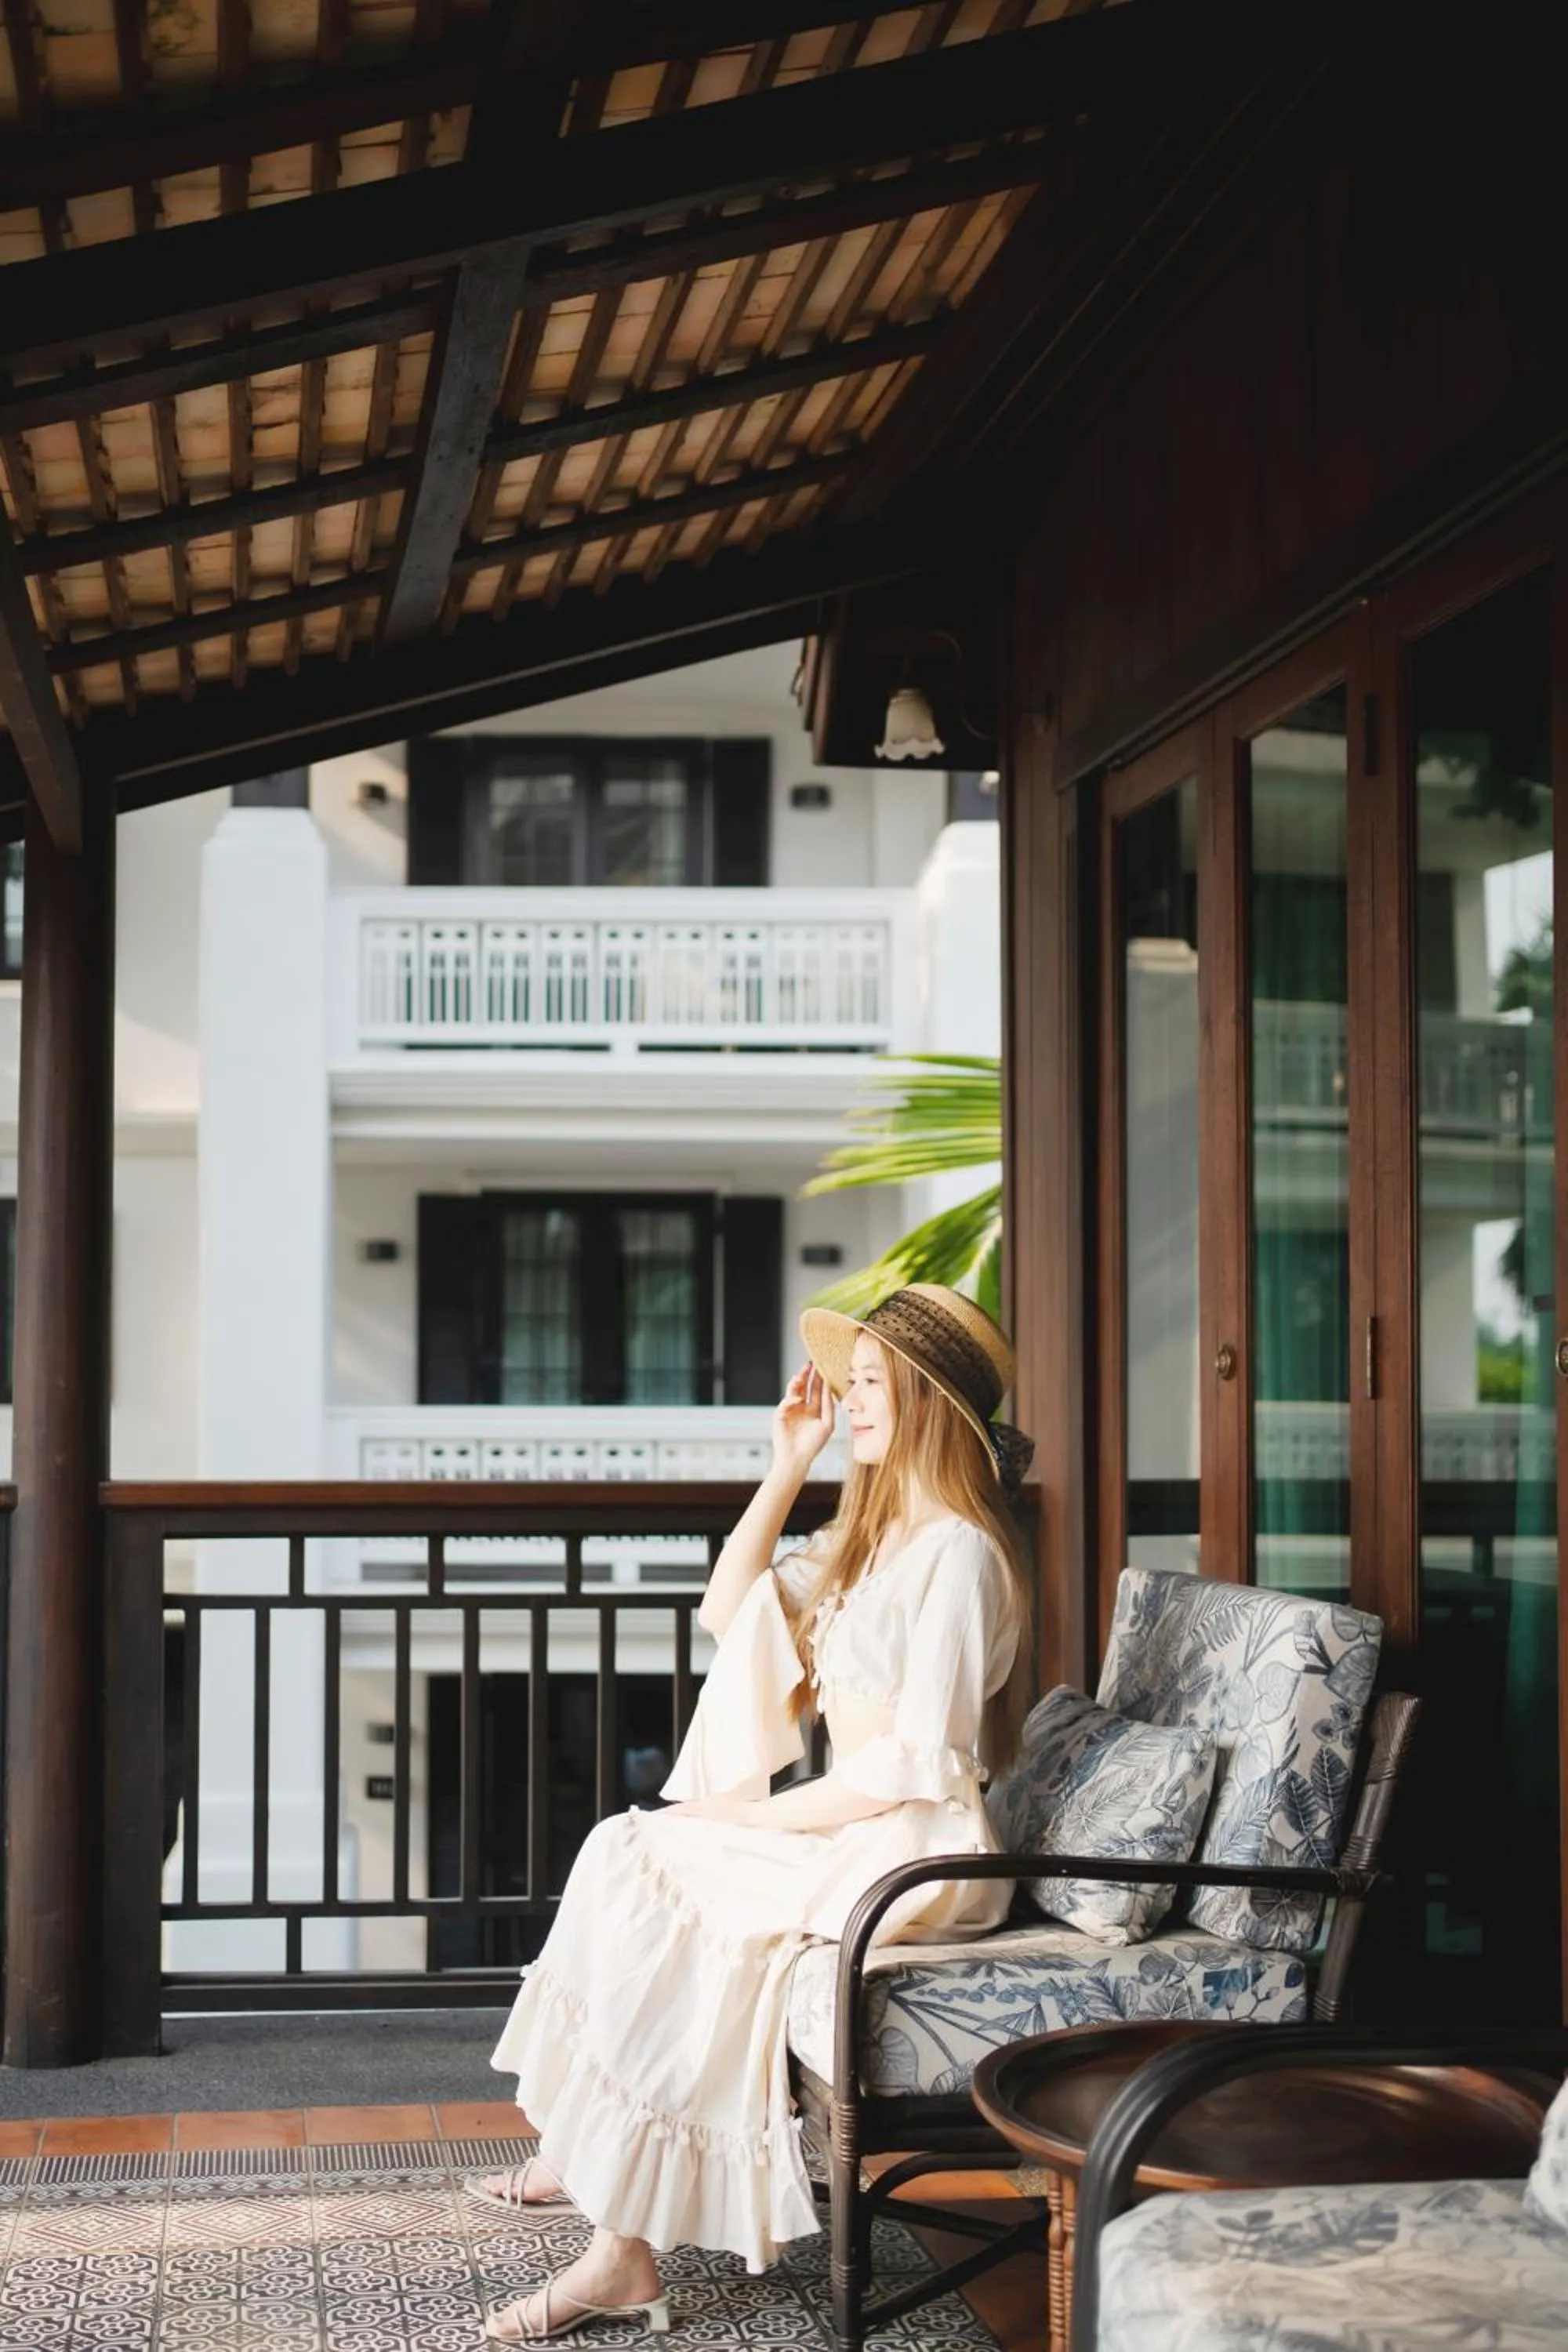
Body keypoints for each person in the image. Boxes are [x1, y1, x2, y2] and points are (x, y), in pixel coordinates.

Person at [470, 1283, 1036, 2343]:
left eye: (871, 1384)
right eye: (852, 1382)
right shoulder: (877, 1537)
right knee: (628, 1851)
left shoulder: (960, 1551)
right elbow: (730, 1612)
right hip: (858, 1825)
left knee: (644, 1856)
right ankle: (594, 2171)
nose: (850, 1402)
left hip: (917, 1847)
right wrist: (788, 1465)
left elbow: (911, 1766)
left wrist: (753, 1825)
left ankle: (619, 2249)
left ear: (927, 1403)